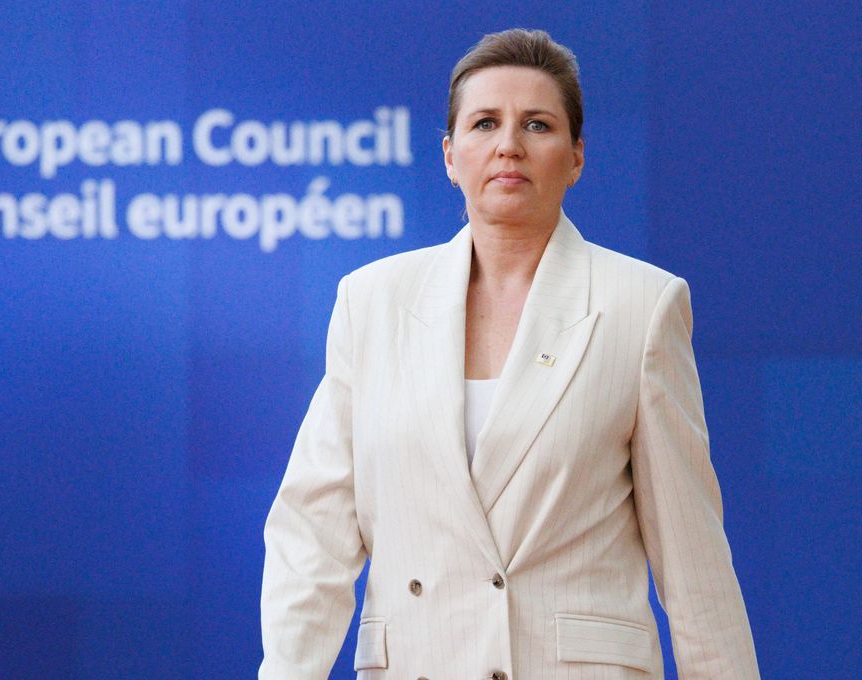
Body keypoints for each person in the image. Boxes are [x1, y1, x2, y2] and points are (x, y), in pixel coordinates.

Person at [259, 28, 760, 679]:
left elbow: (693, 560)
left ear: (576, 157)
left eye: (538, 125)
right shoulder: (372, 302)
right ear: (450, 155)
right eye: (485, 123)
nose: (509, 146)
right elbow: (314, 535)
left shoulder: (641, 306)